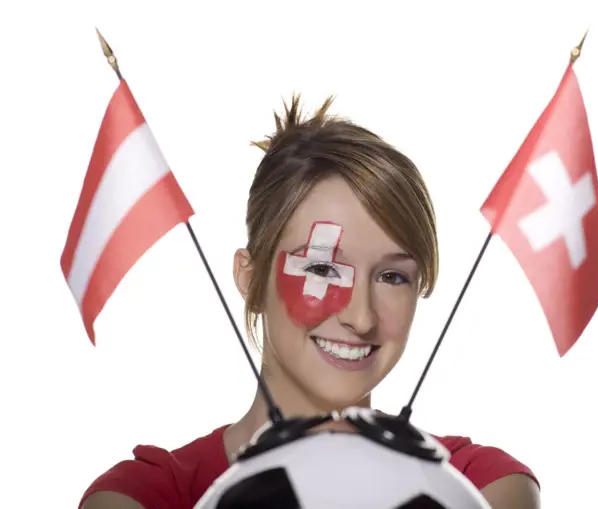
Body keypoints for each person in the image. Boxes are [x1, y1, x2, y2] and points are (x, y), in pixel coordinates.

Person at [79, 95, 541, 509]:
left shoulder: (479, 487)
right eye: (322, 268)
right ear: (250, 278)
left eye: (392, 276)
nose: (361, 317)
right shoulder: (144, 496)